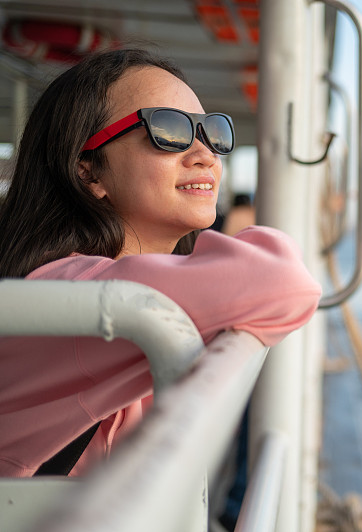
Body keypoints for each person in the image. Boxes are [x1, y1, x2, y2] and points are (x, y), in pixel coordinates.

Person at [0, 49, 321, 477]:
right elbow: (283, 281)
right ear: (89, 172)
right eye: (168, 130)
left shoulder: (92, 282)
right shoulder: (71, 295)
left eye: (211, 132)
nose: (205, 153)